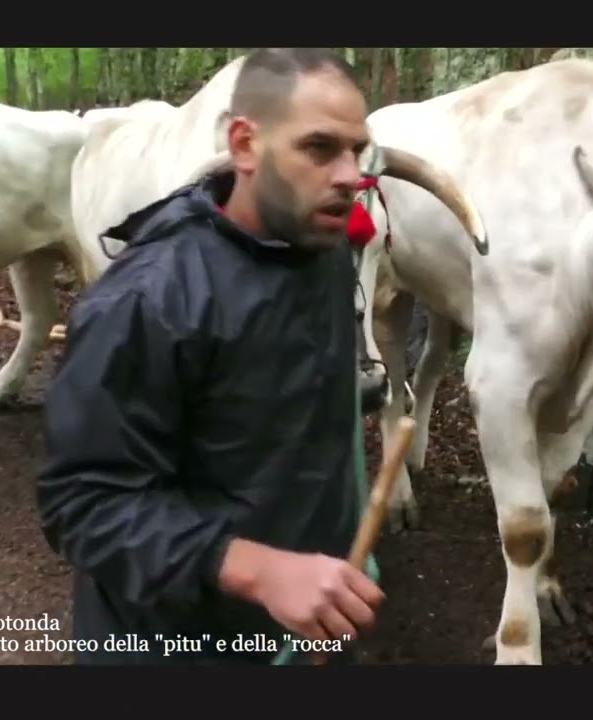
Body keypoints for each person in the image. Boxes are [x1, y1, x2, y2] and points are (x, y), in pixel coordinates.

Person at [34, 48, 386, 665]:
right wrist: (258, 569)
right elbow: (83, 504)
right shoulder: (149, 300)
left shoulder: (324, 257)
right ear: (244, 145)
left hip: (307, 631)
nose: (348, 175)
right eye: (319, 148)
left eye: (357, 151)